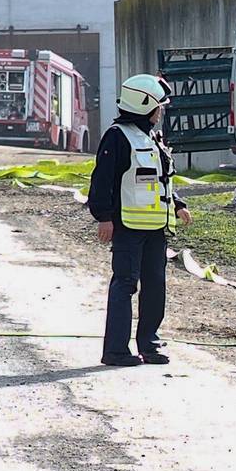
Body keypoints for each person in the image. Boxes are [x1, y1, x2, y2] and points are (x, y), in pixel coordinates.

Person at [87, 74, 188, 367]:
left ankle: (150, 345)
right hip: (128, 228)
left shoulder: (152, 138)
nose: (161, 112)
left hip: (157, 229)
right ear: (145, 105)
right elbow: (102, 181)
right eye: (159, 106)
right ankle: (116, 351)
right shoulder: (117, 136)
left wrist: (178, 204)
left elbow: (161, 180)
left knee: (155, 287)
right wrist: (104, 218)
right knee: (125, 285)